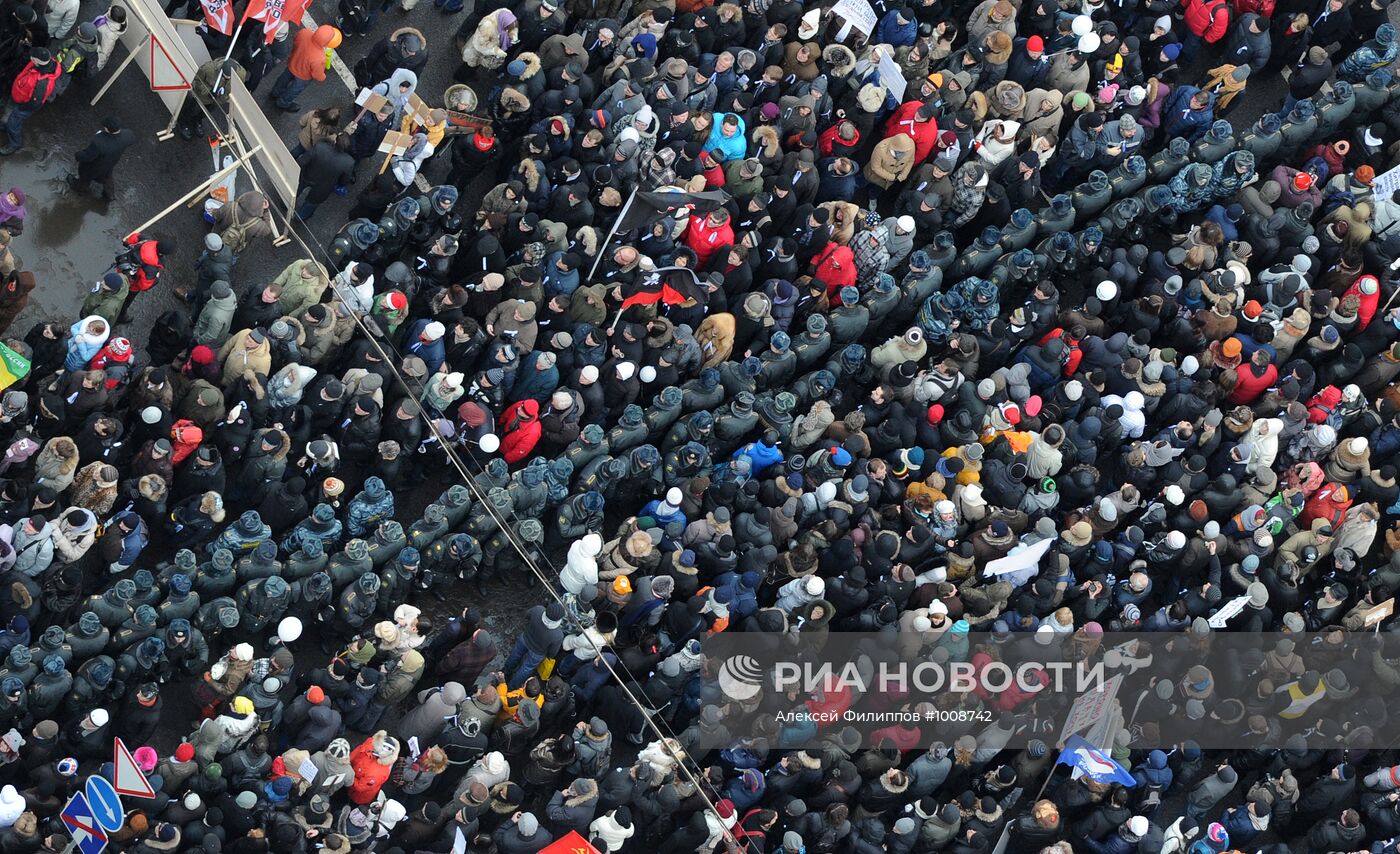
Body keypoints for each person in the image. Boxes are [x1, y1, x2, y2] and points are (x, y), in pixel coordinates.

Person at [68, 117, 136, 201]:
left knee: (85, 178)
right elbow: (132, 140)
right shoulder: (128, 134)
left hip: (93, 167)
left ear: (107, 129)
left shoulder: (99, 141)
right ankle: (109, 195)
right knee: (107, 177)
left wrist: (77, 155)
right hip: (110, 163)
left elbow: (88, 156)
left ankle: (80, 189)